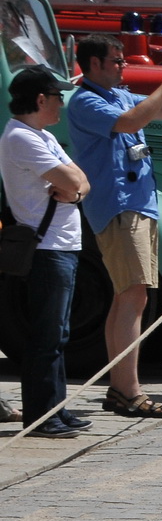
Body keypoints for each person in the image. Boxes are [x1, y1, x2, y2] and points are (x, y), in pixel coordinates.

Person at [67, 33, 162, 421]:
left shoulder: (120, 95)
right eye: (116, 60)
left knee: (128, 295)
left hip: (139, 204)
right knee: (134, 294)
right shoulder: (86, 101)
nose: (122, 66)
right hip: (119, 206)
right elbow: (131, 123)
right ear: (94, 63)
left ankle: (121, 387)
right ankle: (128, 390)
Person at [2, 66, 91, 438]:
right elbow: (72, 180)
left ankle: (55, 408)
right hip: (46, 249)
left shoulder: (44, 136)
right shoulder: (21, 137)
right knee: (47, 335)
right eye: (58, 97)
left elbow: (82, 183)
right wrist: (75, 188)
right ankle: (41, 416)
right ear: (41, 100)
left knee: (59, 334)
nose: (61, 105)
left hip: (62, 246)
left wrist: (76, 191)